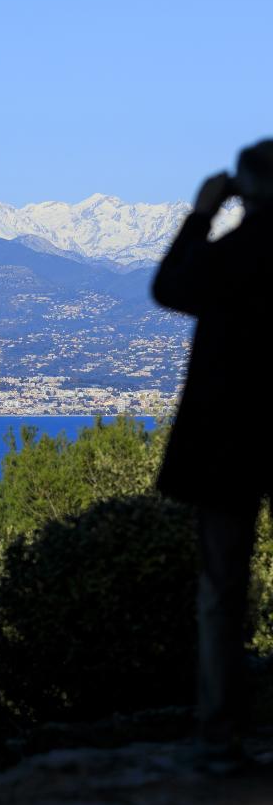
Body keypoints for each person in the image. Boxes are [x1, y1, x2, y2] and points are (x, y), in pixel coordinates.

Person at [152, 139, 273, 771]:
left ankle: (218, 732)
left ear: (243, 192)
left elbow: (169, 286)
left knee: (222, 588)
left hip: (227, 445)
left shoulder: (236, 253)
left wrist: (202, 214)